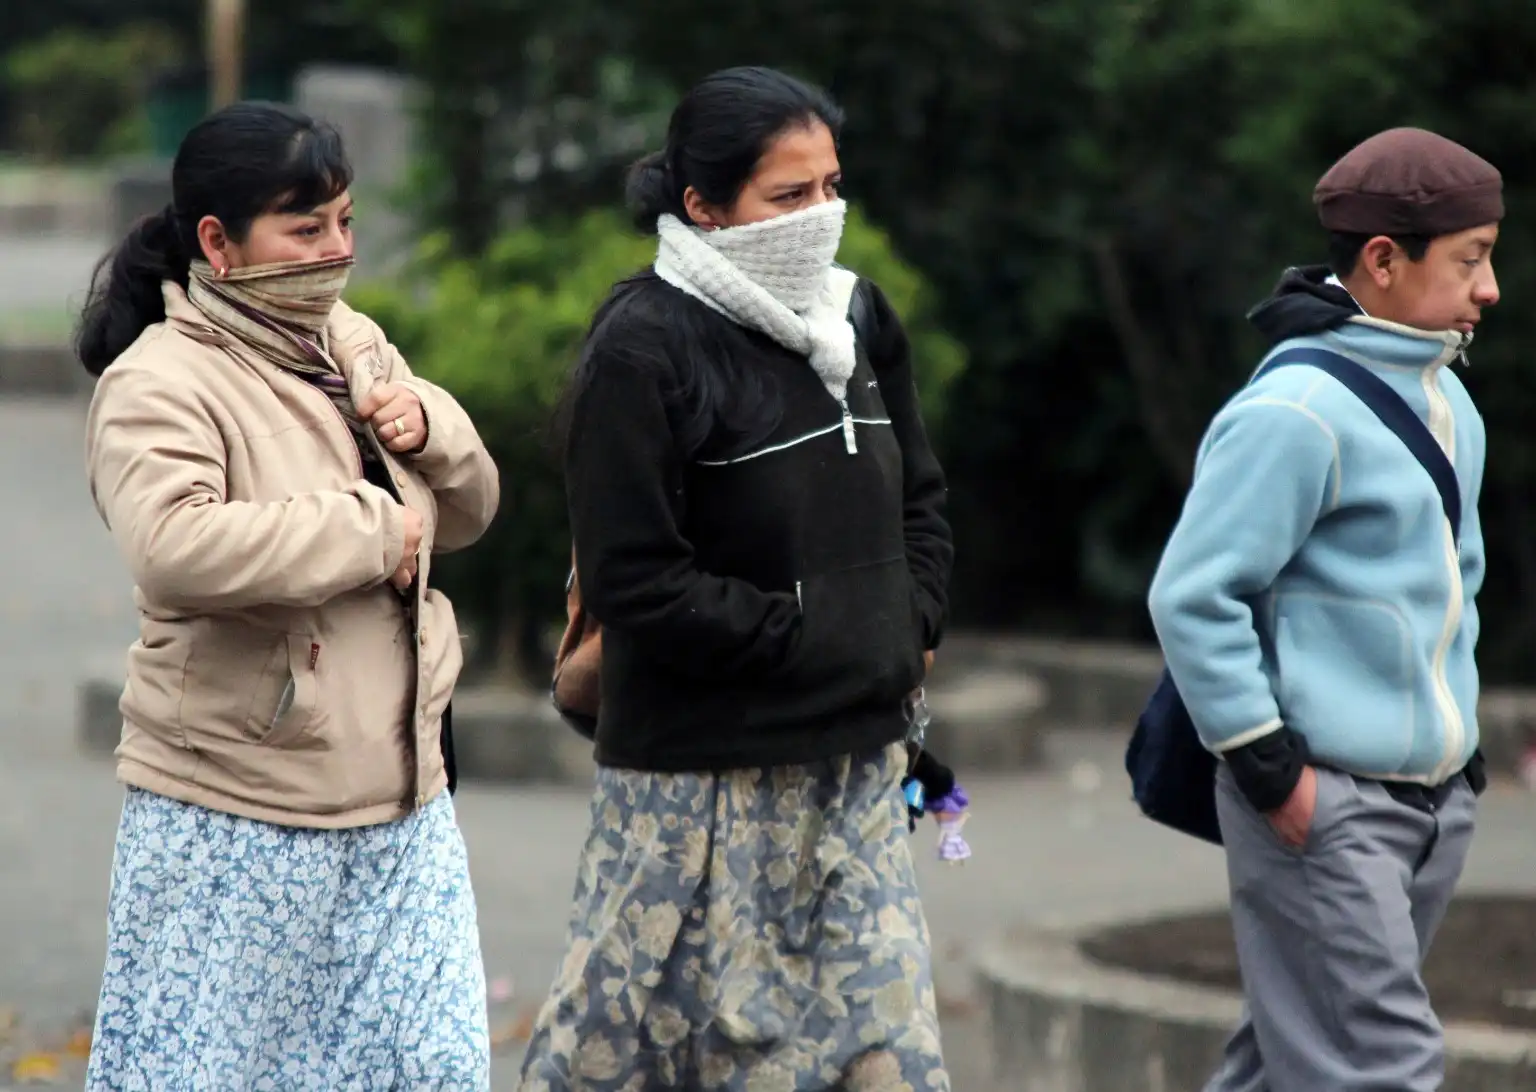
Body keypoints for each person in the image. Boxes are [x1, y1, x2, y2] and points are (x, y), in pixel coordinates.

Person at [519, 66, 955, 1091]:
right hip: (697, 792)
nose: (821, 217)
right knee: (672, 1062)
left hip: (853, 769)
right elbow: (636, 581)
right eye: (788, 195)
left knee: (884, 1056)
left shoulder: (858, 319)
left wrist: (907, 624)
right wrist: (813, 639)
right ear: (702, 207)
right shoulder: (644, 347)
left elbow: (921, 501)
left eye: (831, 188)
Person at [76, 101, 500, 1090]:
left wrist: (430, 426)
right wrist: (371, 527)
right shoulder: (158, 383)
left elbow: (471, 510)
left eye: (345, 222)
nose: (335, 250)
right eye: (305, 229)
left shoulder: (351, 342)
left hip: (405, 799)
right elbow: (174, 548)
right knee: (213, 1072)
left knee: (430, 1070)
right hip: (239, 811)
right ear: (217, 243)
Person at [1148, 127, 1502, 1091]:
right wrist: (1271, 772)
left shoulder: (1447, 400)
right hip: (1324, 802)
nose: (1490, 289)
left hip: (1429, 803)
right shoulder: (1296, 410)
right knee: (1378, 1067)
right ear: (1384, 261)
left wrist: (1460, 759)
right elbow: (1192, 594)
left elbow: (1452, 588)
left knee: (1289, 1062)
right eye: (1470, 260)